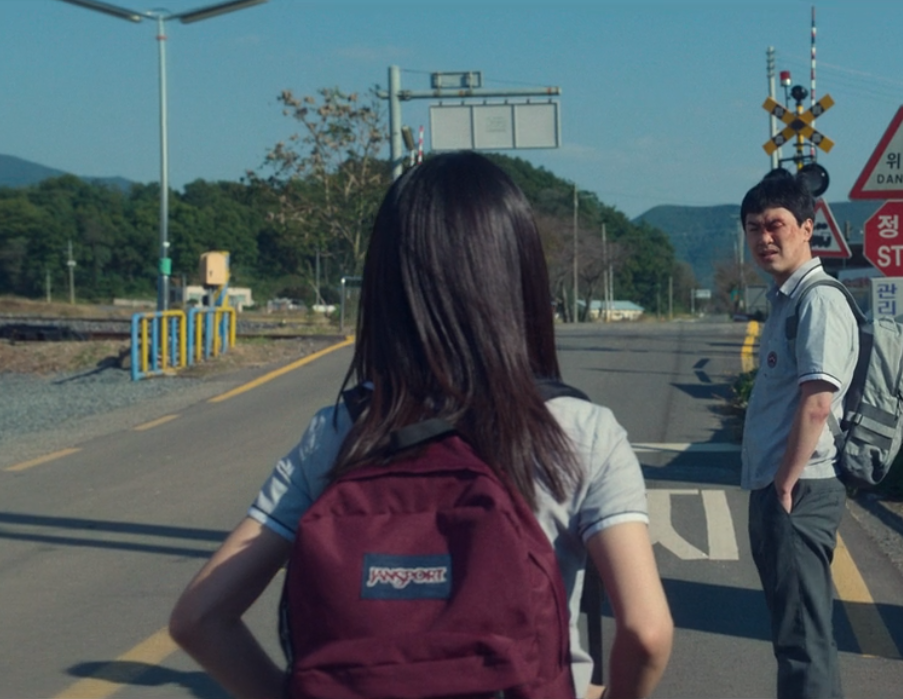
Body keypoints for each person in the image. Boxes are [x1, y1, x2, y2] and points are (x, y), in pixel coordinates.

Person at [169, 151, 673, 699]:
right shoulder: (580, 432)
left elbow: (199, 619)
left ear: (388, 285)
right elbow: (646, 633)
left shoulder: (340, 433)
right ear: (520, 275)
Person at [738, 169, 859, 699]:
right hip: (783, 484)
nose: (764, 238)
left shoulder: (818, 300)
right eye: (753, 228)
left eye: (775, 225)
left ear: (807, 228)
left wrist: (784, 485)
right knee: (797, 636)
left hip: (799, 486)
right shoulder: (786, 299)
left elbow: (817, 403)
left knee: (803, 640)